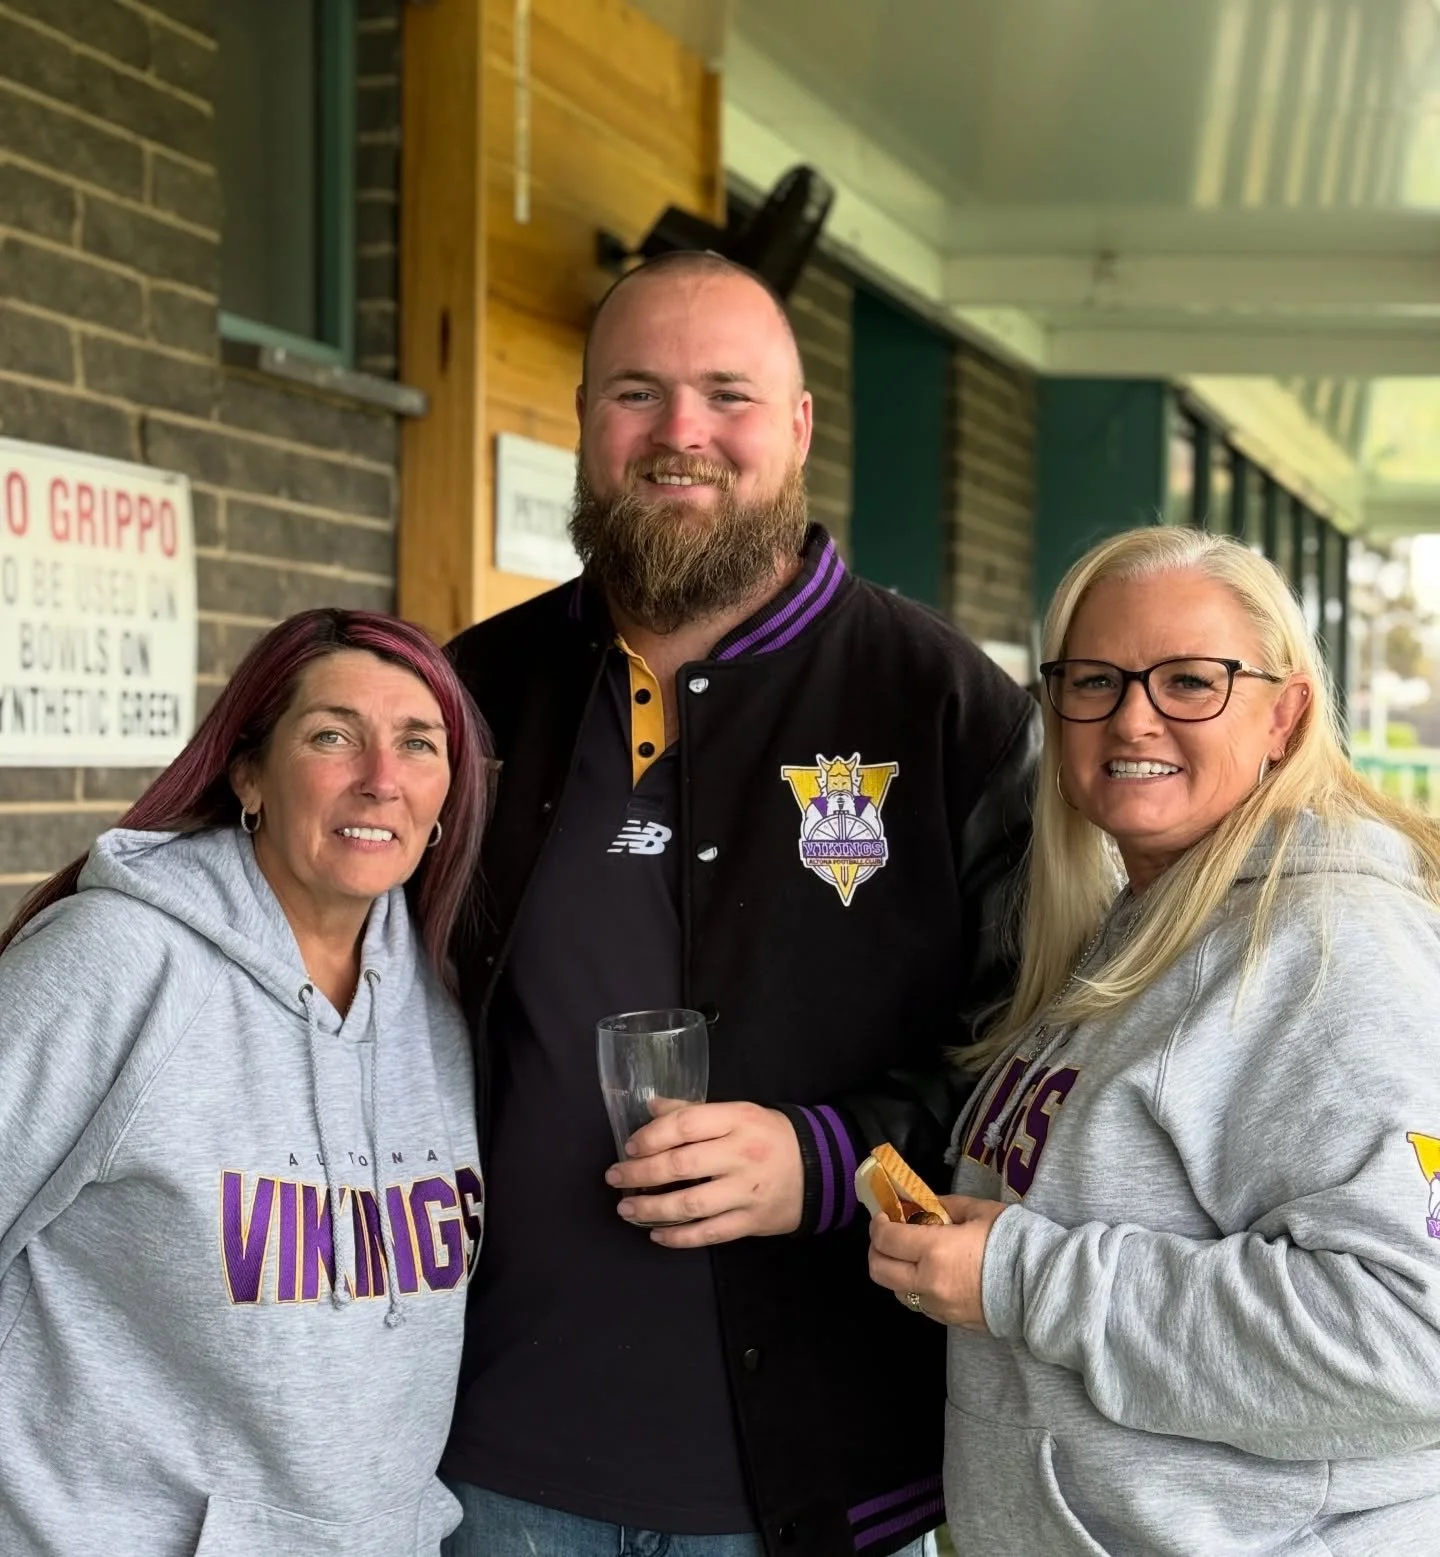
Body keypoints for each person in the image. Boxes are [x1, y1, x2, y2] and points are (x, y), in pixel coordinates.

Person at [442, 250, 1041, 1557]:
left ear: (802, 426)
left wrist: (829, 1161)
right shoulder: (471, 693)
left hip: (824, 1486)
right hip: (485, 1471)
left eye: (729, 394)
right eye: (637, 394)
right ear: (586, 418)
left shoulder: (946, 709)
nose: (681, 436)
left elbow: (1042, 1062)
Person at [868, 526, 1440, 1554]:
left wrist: (1024, 1279)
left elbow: (1415, 1335)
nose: (1133, 715)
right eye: (1095, 679)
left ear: (1286, 714)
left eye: (1190, 681)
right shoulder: (1148, 921)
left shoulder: (1327, 950)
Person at [0, 609, 491, 1556]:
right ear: (250, 773)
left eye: (418, 743)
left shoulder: (439, 1001)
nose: (381, 778)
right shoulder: (119, 963)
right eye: (333, 735)